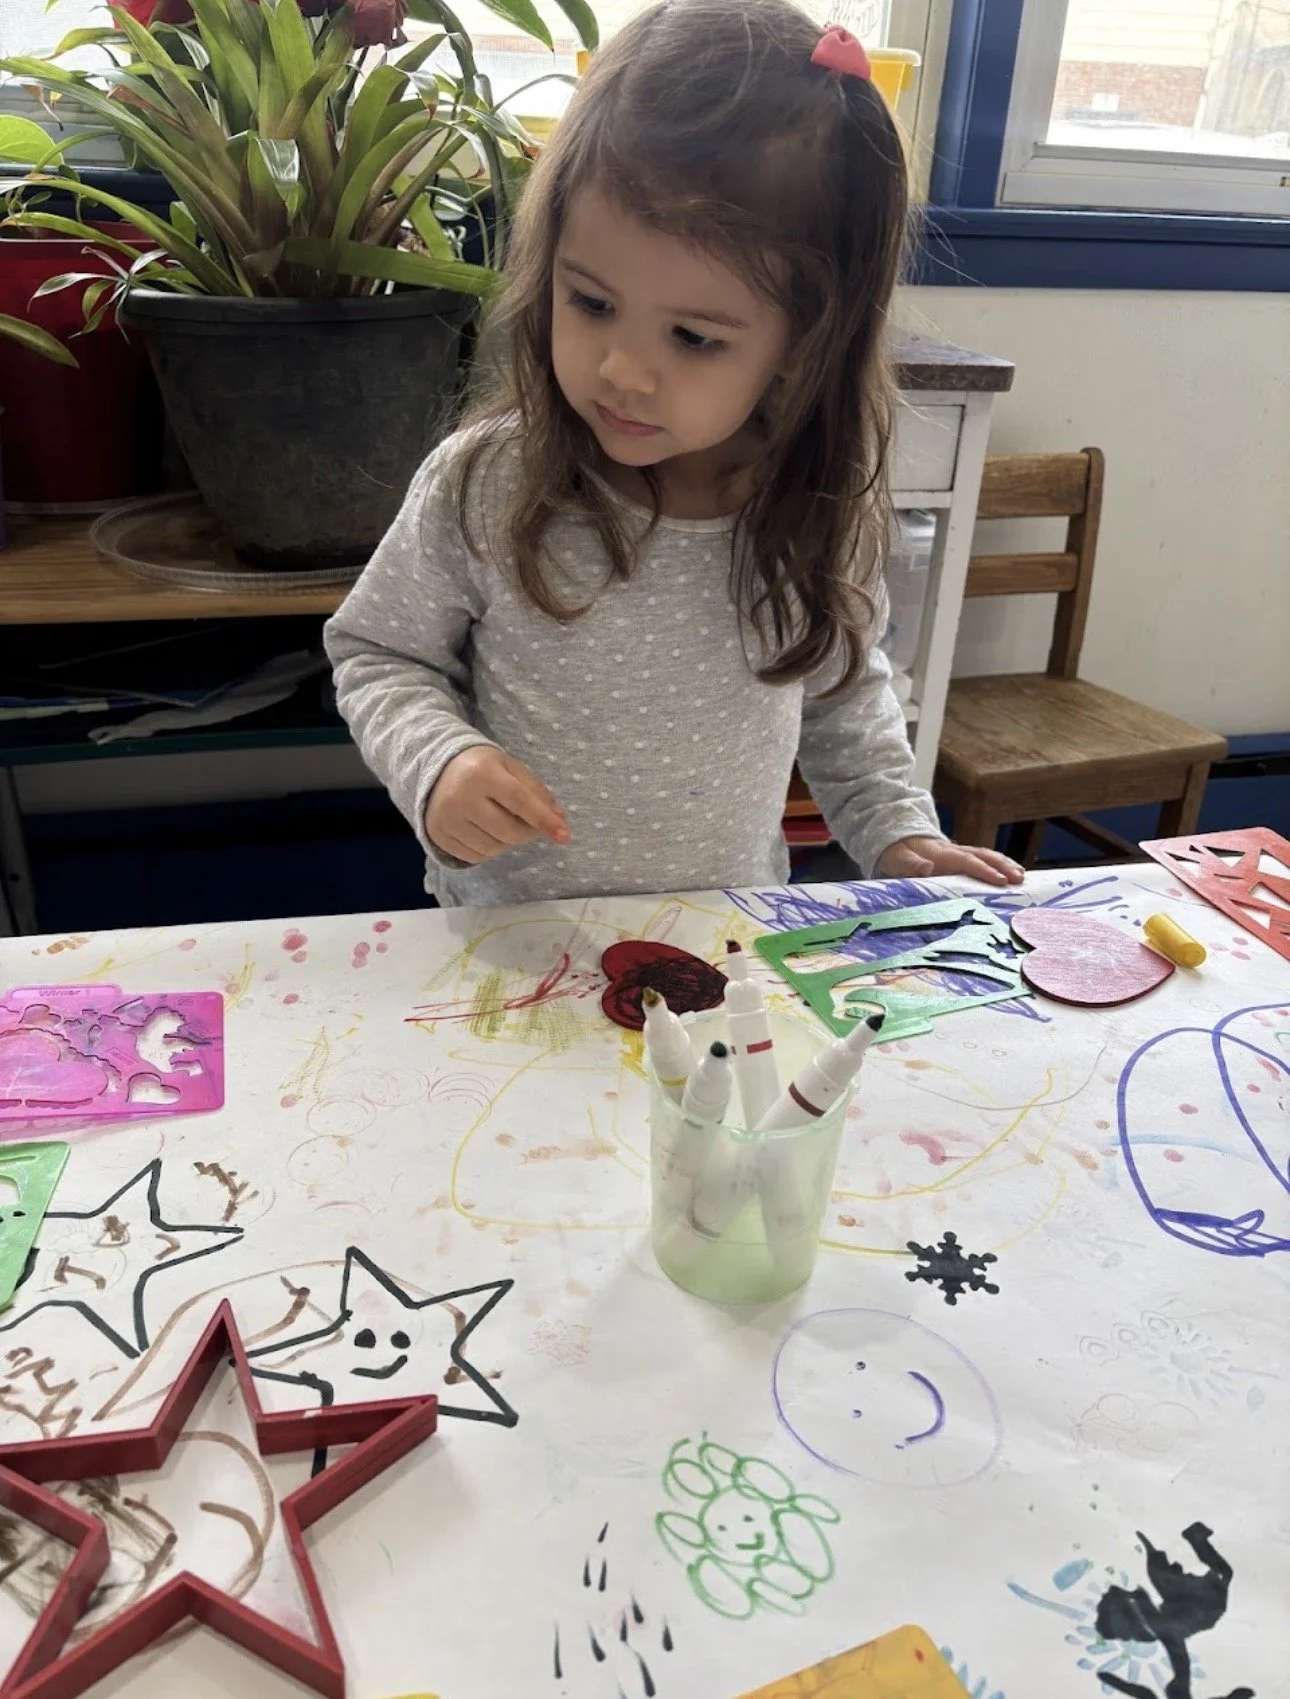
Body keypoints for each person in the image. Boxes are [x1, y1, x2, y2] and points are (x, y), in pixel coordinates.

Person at [324, 0, 1024, 908]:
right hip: (508, 957)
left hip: (726, 951)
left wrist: (897, 828)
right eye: (590, 302)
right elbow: (378, 652)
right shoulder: (484, 481)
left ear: (804, 345)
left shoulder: (817, 505)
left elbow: (845, 699)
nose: (622, 370)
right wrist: (440, 761)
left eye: (693, 338)